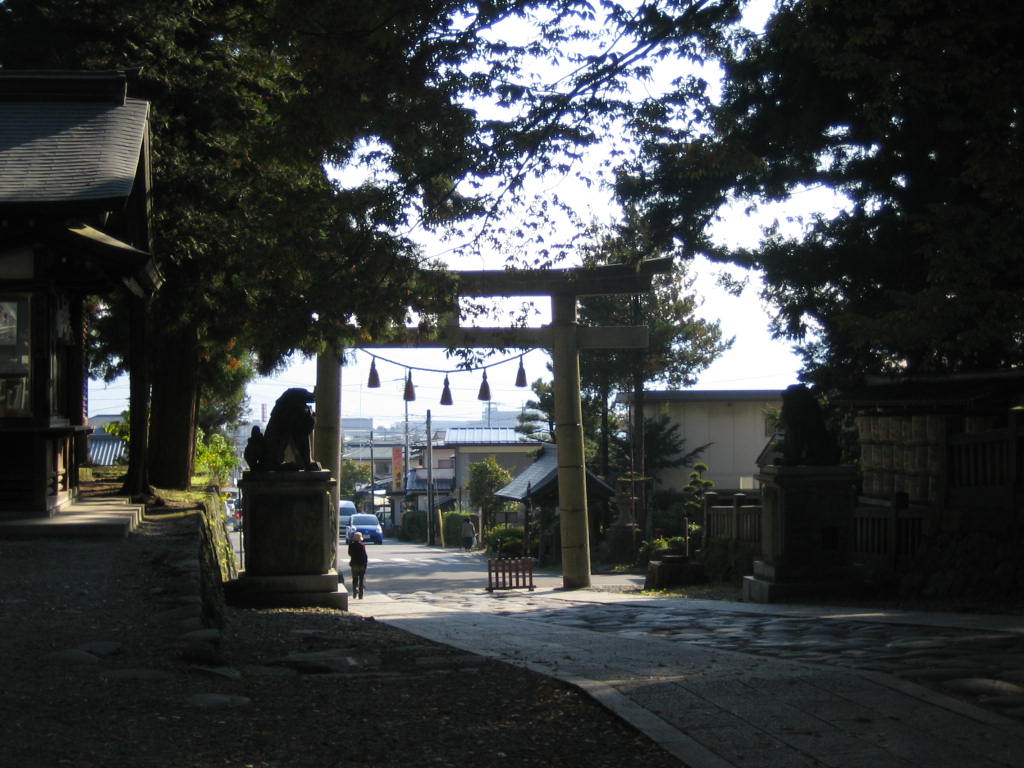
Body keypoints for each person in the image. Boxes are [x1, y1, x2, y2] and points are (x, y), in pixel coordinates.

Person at [348, 531, 368, 599]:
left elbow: (349, 553)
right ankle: (360, 595)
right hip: (361, 564)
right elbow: (365, 556)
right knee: (361, 579)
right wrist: (365, 565)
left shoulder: (351, 545)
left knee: (355, 579)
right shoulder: (362, 546)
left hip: (354, 564)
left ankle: (354, 591)